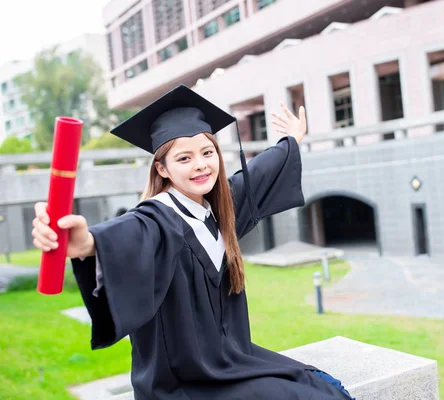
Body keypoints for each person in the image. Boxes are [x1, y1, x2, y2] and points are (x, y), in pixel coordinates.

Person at [31, 85, 354, 400]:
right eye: (184, 158)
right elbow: (125, 235)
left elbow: (259, 173)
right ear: (163, 168)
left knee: (325, 385)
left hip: (229, 361)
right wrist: (87, 244)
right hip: (181, 382)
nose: (200, 164)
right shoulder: (157, 219)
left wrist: (292, 138)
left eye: (207, 152)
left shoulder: (221, 209)